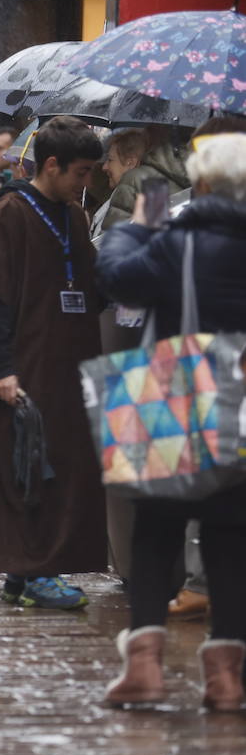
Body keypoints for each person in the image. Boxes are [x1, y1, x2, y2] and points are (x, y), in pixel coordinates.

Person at [97, 132, 246, 711]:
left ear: (202, 183)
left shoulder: (174, 242)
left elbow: (115, 276)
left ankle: (145, 668)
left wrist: (137, 228)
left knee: (157, 532)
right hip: (240, 407)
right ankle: (226, 677)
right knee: (230, 538)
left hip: (176, 400)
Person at [0, 115, 106, 610]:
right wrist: (2, 368)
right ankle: (38, 572)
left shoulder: (74, 216)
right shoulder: (7, 216)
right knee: (30, 467)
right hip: (25, 366)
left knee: (61, 467)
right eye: (81, 172)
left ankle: (25, 571)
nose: (85, 182)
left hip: (67, 366)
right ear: (52, 165)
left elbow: (89, 287)